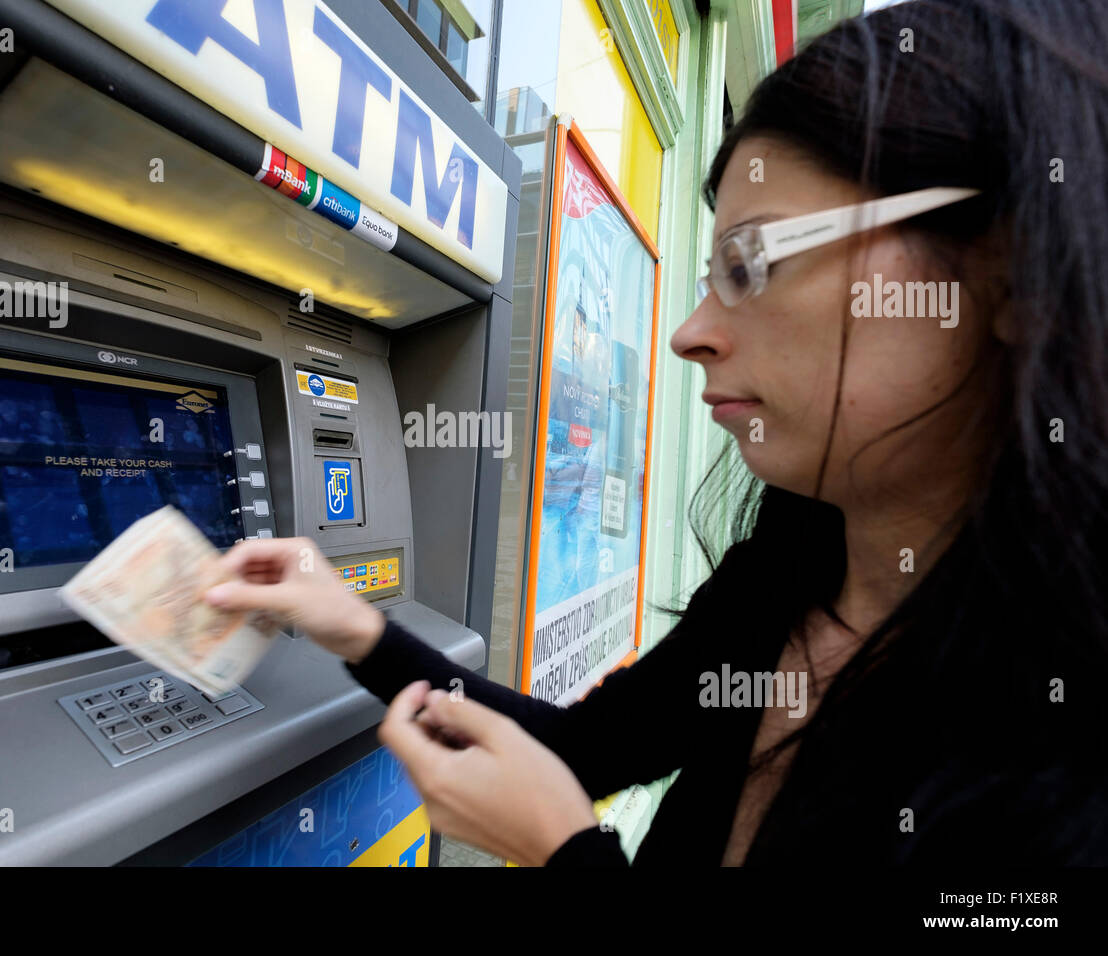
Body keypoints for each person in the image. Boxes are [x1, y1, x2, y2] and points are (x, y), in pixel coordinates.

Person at [205, 0, 1108, 866]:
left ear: (1006, 272)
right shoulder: (785, 580)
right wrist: (351, 622)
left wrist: (567, 852)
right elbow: (577, 749)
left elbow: (562, 804)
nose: (690, 332)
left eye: (752, 264)